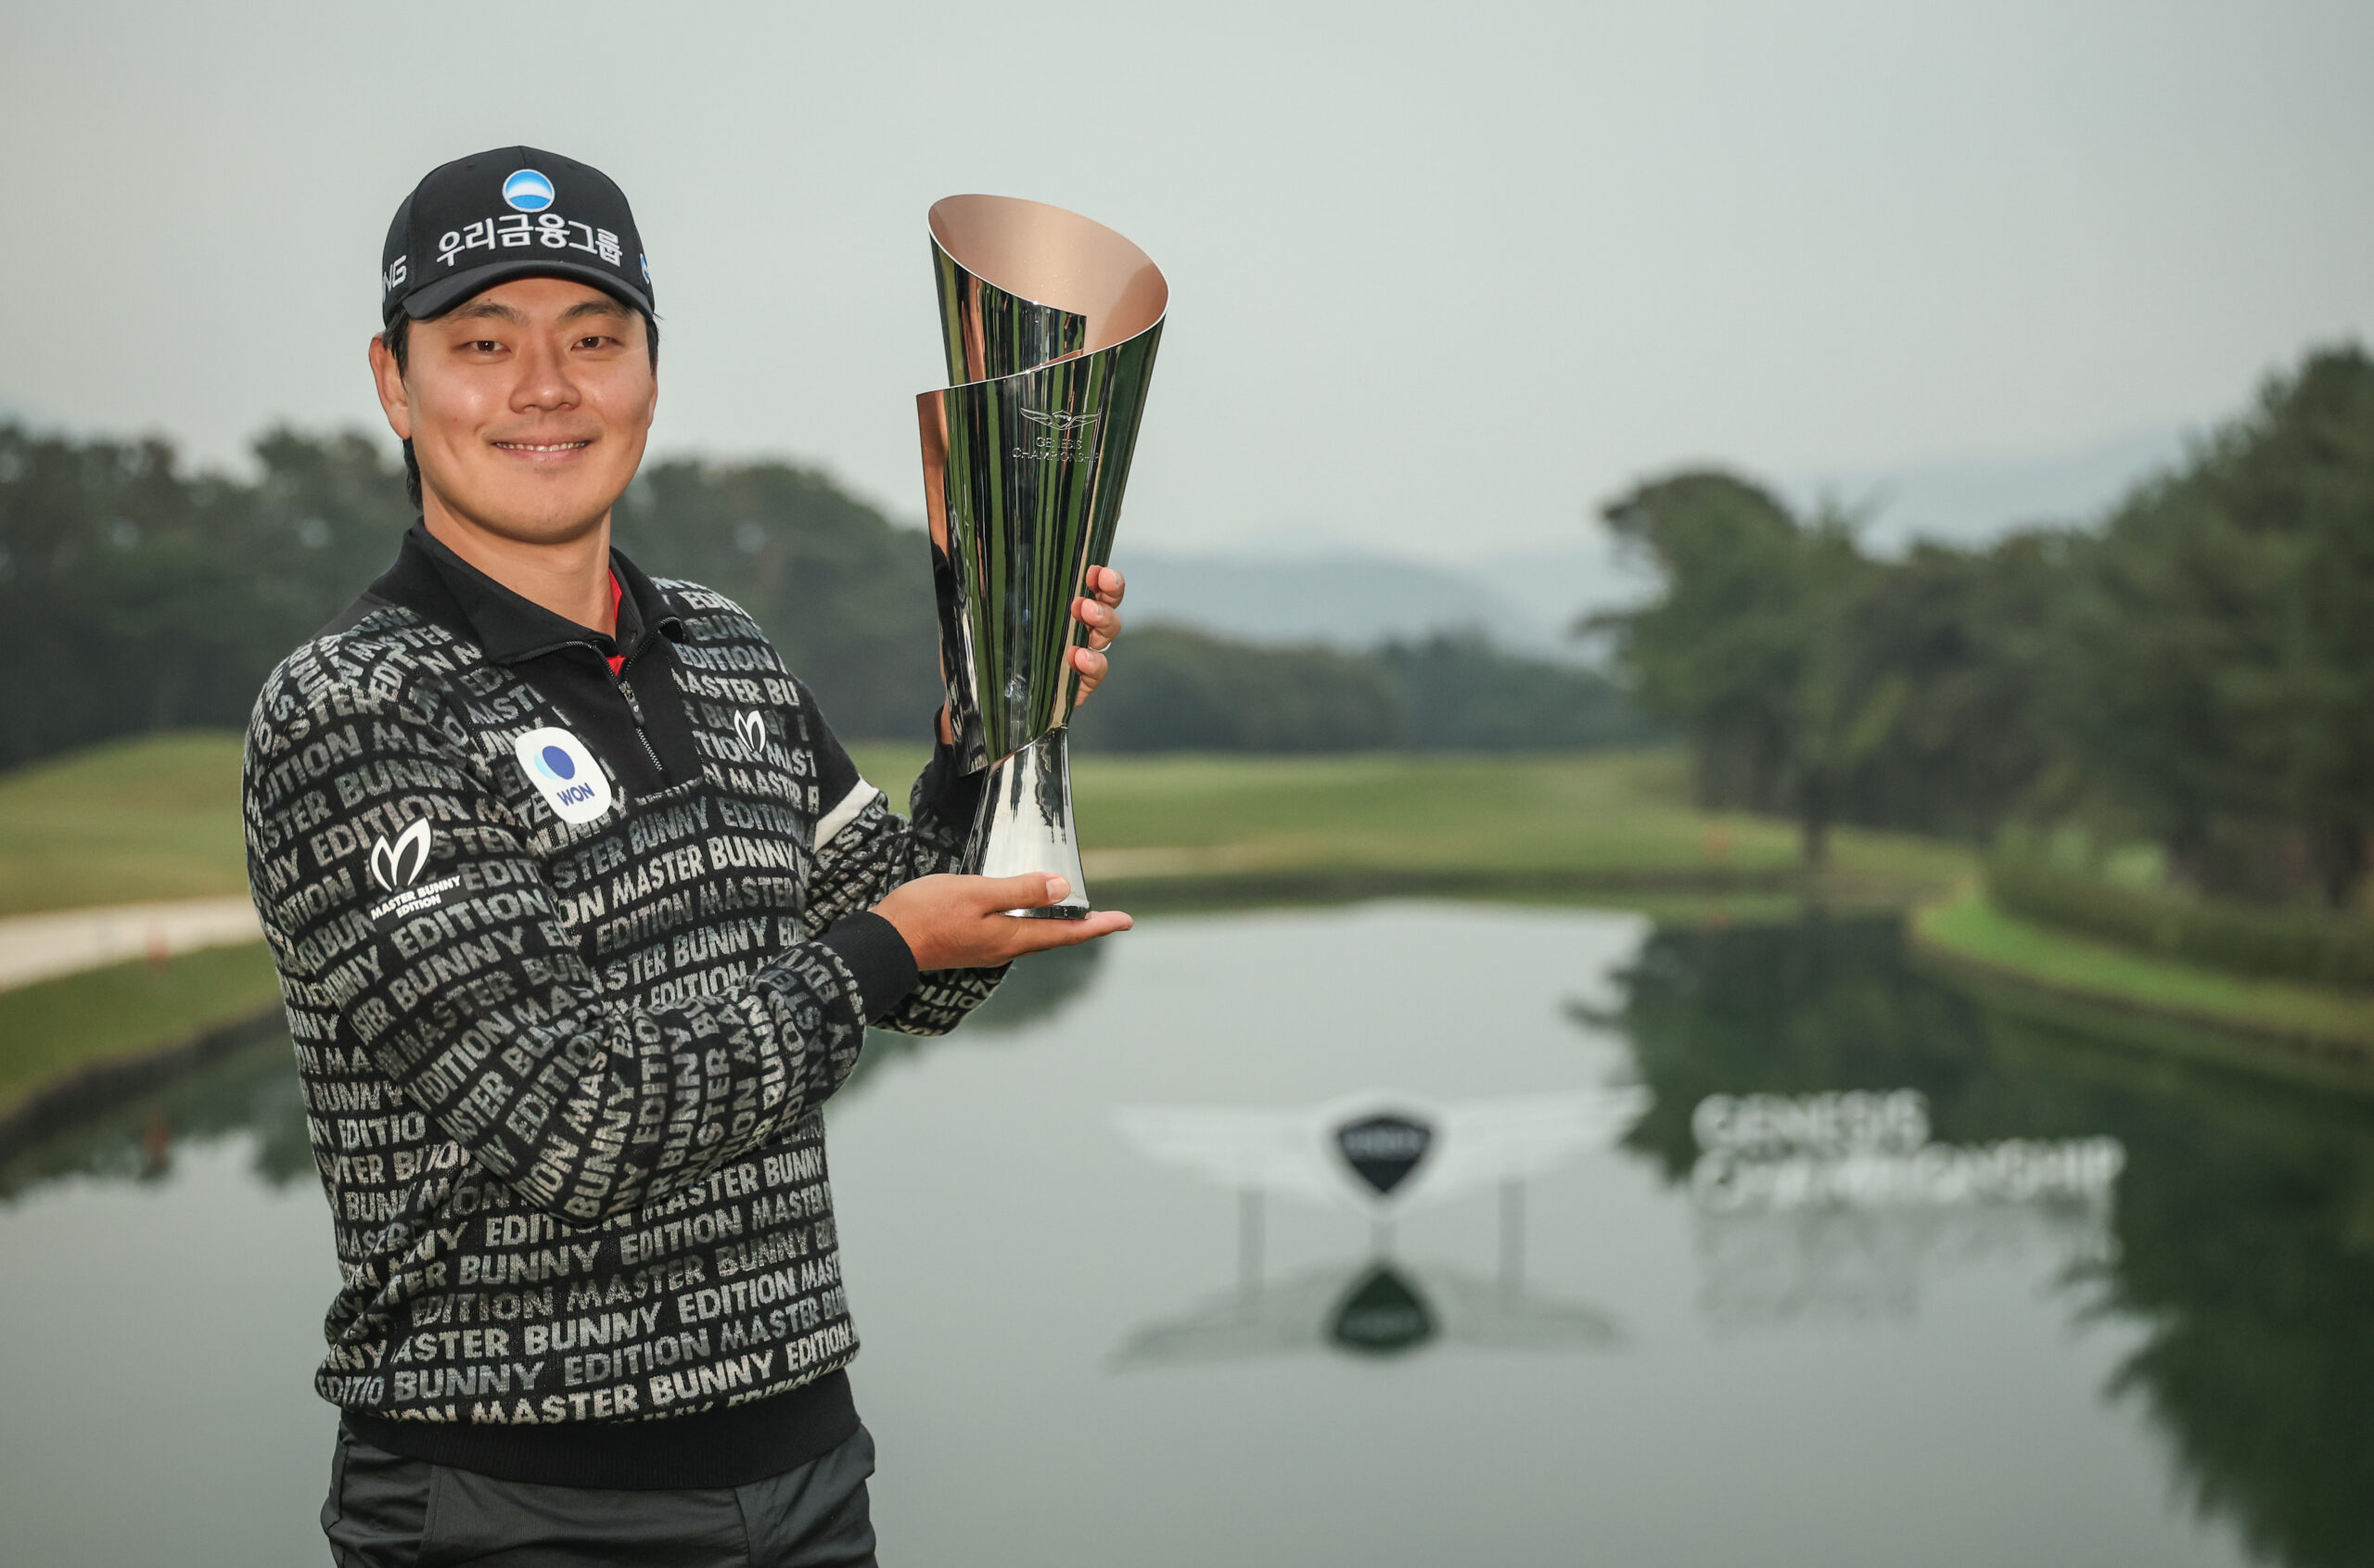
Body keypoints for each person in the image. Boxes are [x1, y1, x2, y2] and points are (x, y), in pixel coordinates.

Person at [242, 146, 1130, 1566]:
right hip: (512, 1506)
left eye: (595, 340)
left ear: (650, 370)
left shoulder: (722, 649)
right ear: (396, 382)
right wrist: (887, 945)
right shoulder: (356, 708)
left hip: (803, 1467)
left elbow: (918, 973)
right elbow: (574, 1120)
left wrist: (996, 734)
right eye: (484, 343)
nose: (547, 387)